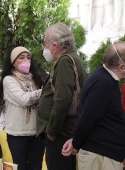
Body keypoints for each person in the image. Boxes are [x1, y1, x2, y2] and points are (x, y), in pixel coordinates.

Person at [62, 41, 125, 170]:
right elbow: (87, 118)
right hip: (100, 156)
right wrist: (76, 143)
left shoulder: (105, 78)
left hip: (104, 154)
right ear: (121, 67)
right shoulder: (103, 83)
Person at [36, 23, 87, 170]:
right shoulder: (72, 58)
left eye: (45, 44)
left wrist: (52, 130)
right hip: (65, 132)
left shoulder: (65, 61)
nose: (45, 48)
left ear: (55, 45)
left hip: (60, 133)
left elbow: (62, 99)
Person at [0, 46, 47, 170]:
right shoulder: (9, 80)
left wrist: (41, 93)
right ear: (13, 62)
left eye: (28, 57)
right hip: (17, 134)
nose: (26, 60)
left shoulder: (37, 78)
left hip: (37, 132)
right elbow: (24, 99)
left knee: (36, 166)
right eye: (21, 57)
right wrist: (44, 91)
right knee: (20, 167)